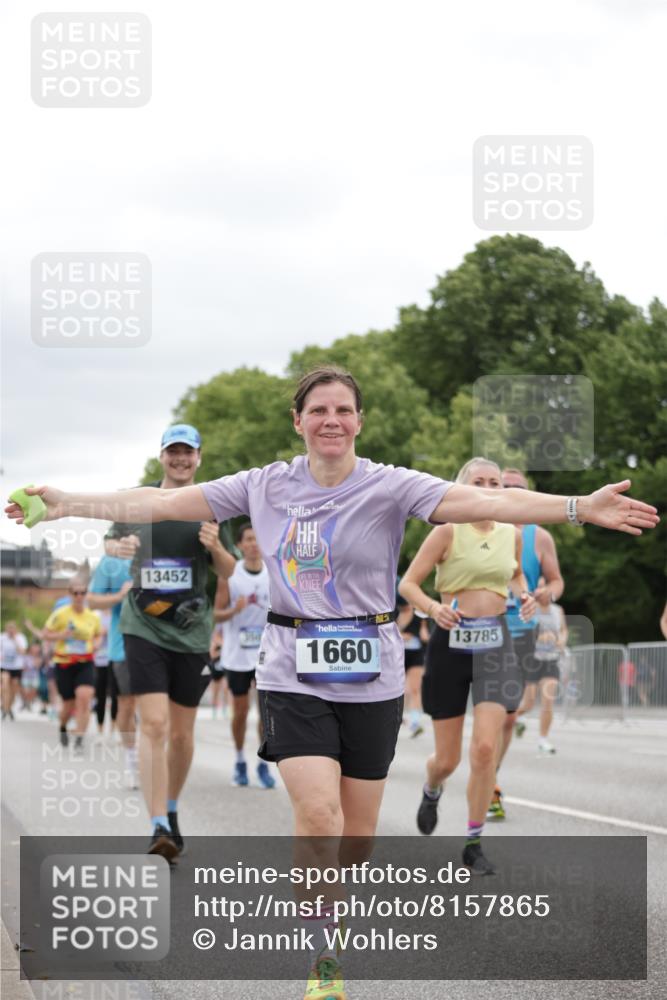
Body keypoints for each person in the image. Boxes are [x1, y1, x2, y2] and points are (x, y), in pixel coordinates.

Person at [5, 366, 659, 1000]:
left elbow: (487, 499)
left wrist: (576, 507)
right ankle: (324, 962)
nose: (331, 420)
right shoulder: (264, 484)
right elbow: (160, 501)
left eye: (342, 409)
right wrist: (67, 503)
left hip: (370, 672)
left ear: (358, 422)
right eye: (318, 409)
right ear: (298, 421)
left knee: (354, 842)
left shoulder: (390, 485)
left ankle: (321, 889)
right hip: (292, 670)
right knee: (318, 817)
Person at [101, 424, 235, 861]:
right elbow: (111, 541)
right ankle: (157, 821)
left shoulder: (212, 503)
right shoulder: (141, 502)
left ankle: (172, 808)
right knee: (153, 724)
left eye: (187, 452)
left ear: (198, 457)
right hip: (143, 626)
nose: (180, 459)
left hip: (192, 630)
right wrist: (118, 548)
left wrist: (215, 548)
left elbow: (230, 570)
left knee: (181, 733)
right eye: (172, 451)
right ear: (162, 455)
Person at [399, 457, 536, 875]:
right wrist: (432, 608)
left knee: (484, 749)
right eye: (479, 481)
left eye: (495, 481)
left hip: (496, 641)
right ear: (462, 487)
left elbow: (513, 579)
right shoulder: (446, 532)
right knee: (448, 759)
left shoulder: (511, 534)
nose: (489, 486)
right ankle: (433, 786)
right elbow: (408, 583)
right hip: (450, 643)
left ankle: (473, 843)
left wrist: (525, 595)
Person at [489, 467, 565, 821]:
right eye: (506, 488)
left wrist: (547, 593)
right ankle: (445, 771)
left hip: (520, 632)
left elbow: (556, 581)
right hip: (479, 629)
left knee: (506, 717)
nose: (512, 494)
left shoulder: (541, 537)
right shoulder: (477, 525)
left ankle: (490, 783)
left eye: (519, 489)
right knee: (481, 716)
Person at [215, 522, 276, 789]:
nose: (253, 544)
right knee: (240, 712)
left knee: (266, 714)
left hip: (266, 654)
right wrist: (234, 611)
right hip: (237, 654)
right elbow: (215, 613)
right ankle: (240, 760)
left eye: (257, 539)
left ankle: (263, 765)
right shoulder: (229, 574)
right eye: (248, 540)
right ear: (239, 546)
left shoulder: (274, 573)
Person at [87, 557, 137, 784]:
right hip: (122, 649)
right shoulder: (112, 563)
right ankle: (131, 761)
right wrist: (120, 595)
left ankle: (150, 755)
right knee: (126, 705)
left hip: (160, 644)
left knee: (154, 708)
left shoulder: (157, 552)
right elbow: (92, 601)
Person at [42, 580, 102, 750]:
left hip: (86, 662)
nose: (79, 596)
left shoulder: (92, 616)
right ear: (70, 595)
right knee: (68, 705)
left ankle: (80, 737)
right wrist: (61, 634)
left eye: (83, 593)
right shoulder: (60, 614)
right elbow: (45, 634)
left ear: (86, 595)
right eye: (75, 593)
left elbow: (98, 635)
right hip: (64, 663)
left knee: (84, 698)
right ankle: (62, 728)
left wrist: (96, 643)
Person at [514, 582, 568, 754]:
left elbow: (564, 630)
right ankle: (513, 718)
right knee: (528, 703)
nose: (543, 590)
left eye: (546, 586)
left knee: (548, 700)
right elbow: (522, 633)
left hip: (551, 659)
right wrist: (538, 637)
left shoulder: (557, 610)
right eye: (539, 586)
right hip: (533, 659)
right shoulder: (530, 608)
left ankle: (543, 740)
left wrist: (561, 641)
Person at [396, 583, 427, 737]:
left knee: (413, 689)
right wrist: (401, 637)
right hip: (398, 655)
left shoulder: (418, 614)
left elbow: (424, 635)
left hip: (416, 654)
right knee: (399, 689)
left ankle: (415, 723)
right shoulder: (393, 613)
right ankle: (398, 718)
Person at [1, 621, 28, 720]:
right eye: (9, 629)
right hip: (5, 666)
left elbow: (23, 652)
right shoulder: (2, 638)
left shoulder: (21, 638)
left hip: (16, 667)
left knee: (13, 688)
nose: (10, 631)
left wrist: (15, 641)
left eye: (12, 629)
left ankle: (9, 707)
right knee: (5, 685)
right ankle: (5, 707)